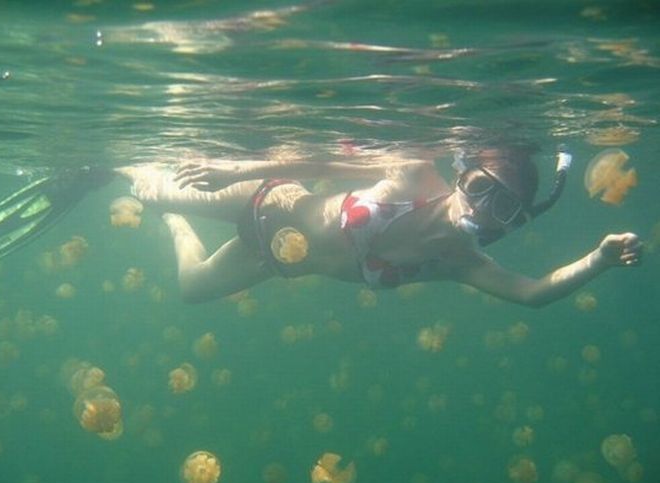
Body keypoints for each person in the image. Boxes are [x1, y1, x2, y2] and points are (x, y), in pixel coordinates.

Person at [118, 144, 642, 306]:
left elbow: (532, 293)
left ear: (513, 223)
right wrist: (238, 169)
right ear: (463, 176)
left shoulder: (456, 261)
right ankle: (116, 167)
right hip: (264, 197)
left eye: (502, 210)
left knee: (190, 288)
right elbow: (322, 164)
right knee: (149, 186)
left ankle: (173, 223)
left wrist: (597, 260)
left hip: (271, 260)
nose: (482, 211)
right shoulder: (414, 174)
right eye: (481, 189)